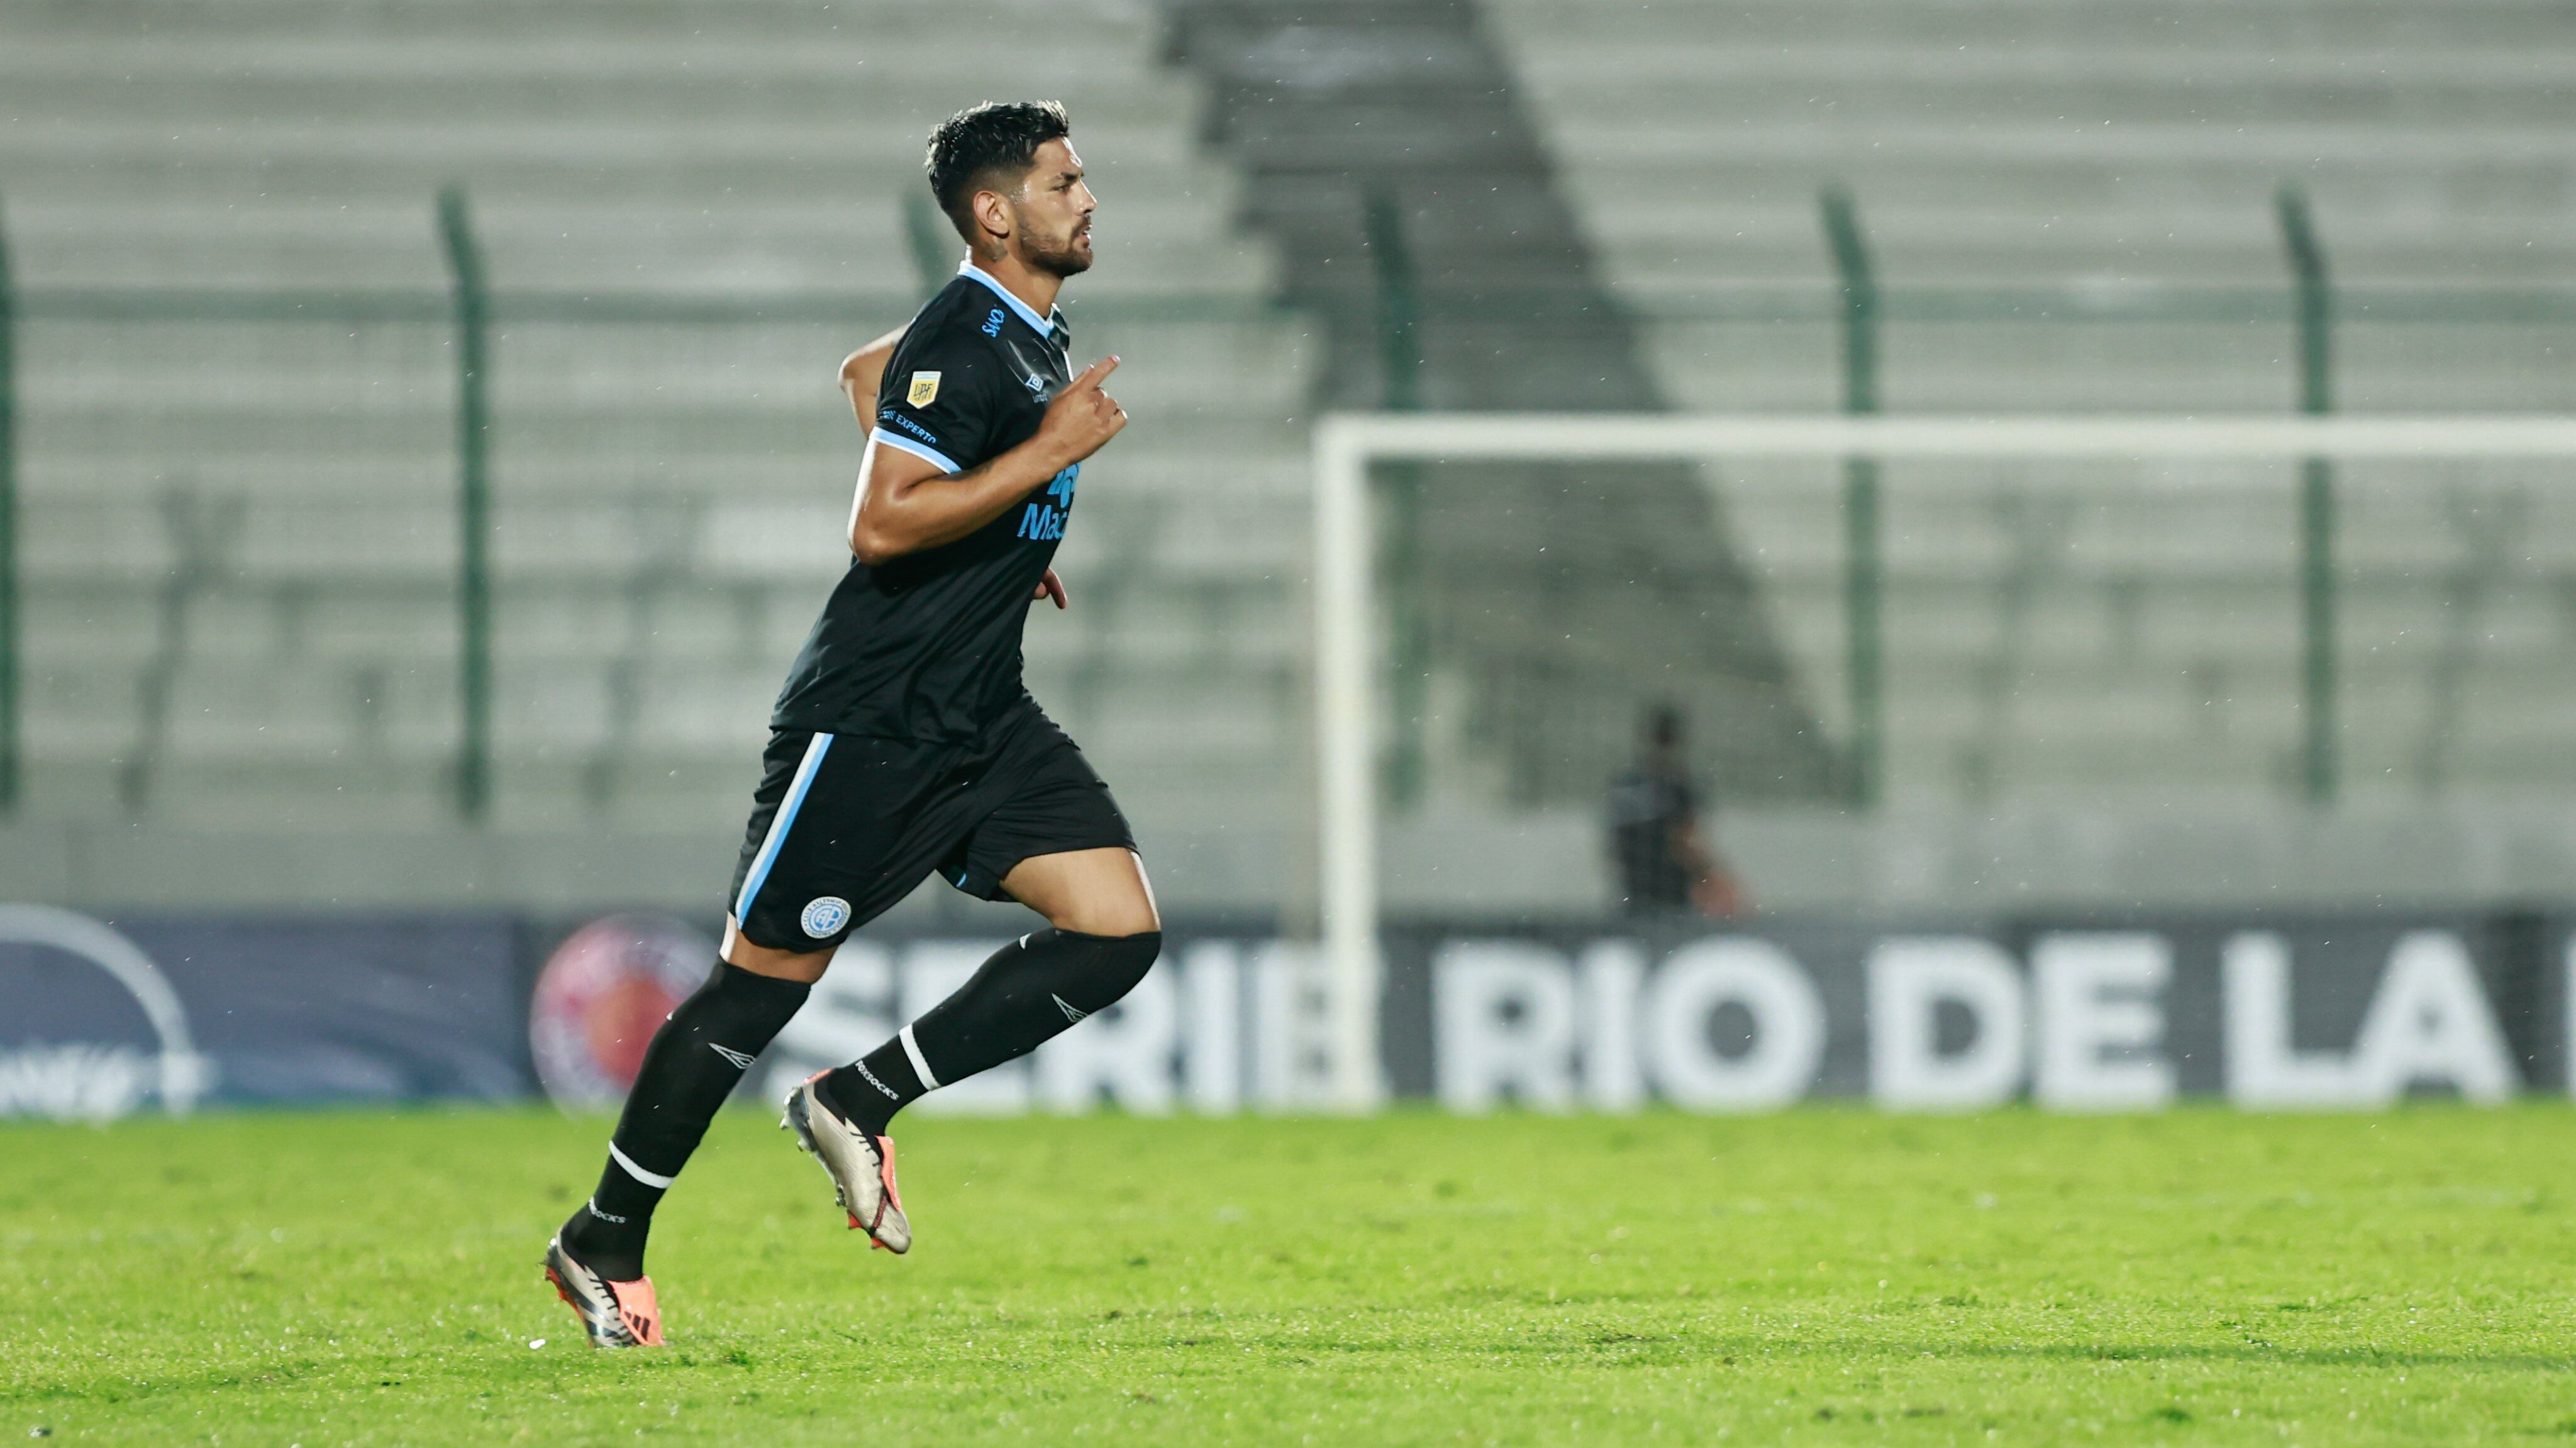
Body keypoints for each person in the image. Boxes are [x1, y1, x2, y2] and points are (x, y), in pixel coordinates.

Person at [543, 101, 1162, 1349]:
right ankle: (600, 1237)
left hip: (980, 710)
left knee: (1115, 927)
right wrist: (1033, 465)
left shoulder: (1025, 332)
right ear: (995, 213)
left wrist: (995, 536)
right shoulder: (971, 332)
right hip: (872, 718)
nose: (1087, 198)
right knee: (753, 990)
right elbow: (880, 524)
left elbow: (863, 378)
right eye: (1064, 180)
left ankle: (859, 1095)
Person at [1606, 704, 1742, 918]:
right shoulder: (1678, 789)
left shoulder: (1627, 786)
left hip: (1636, 895)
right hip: (1672, 899)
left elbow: (1615, 843)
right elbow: (1686, 840)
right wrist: (1714, 877)